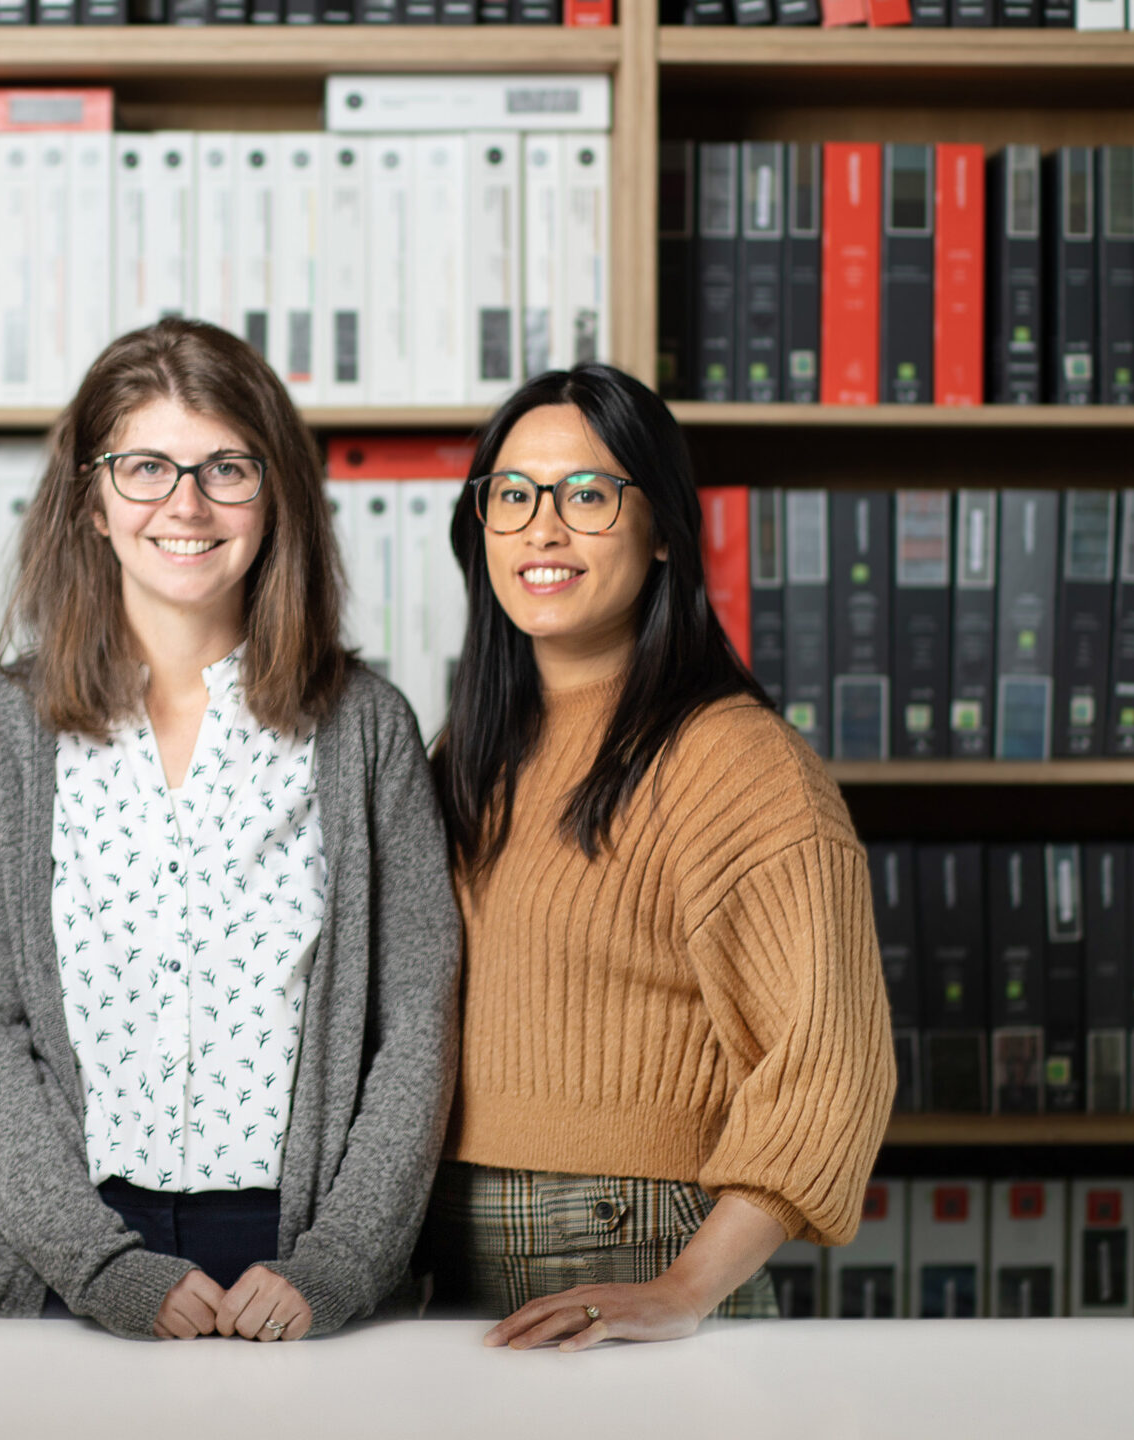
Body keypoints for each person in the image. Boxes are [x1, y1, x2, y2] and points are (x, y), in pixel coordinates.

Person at [0, 319, 460, 1343]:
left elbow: (416, 1025)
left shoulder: (365, 727)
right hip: (53, 1266)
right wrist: (100, 1266)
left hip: (293, 1260)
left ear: (276, 493)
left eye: (225, 467)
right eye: (145, 466)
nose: (186, 503)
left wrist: (336, 1261)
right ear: (90, 499)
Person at [424, 366, 892, 1351]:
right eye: (511, 495)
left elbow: (830, 1062)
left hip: (622, 1233)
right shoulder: (464, 752)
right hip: (436, 1227)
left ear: (665, 530)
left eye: (587, 496)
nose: (540, 530)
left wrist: (684, 1286)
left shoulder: (732, 759)